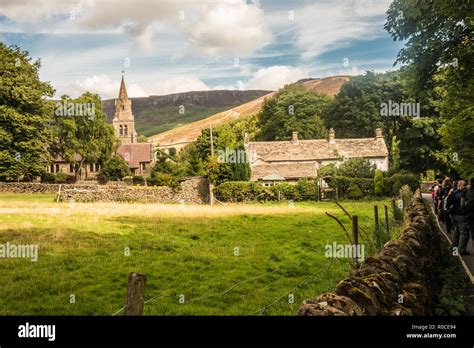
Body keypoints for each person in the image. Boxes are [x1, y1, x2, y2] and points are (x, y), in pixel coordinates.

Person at [448, 180, 470, 255]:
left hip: (454, 215)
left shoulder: (454, 192)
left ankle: (454, 248)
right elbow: (464, 205)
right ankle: (461, 250)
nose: (466, 186)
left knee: (457, 232)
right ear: (460, 185)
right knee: (464, 233)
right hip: (461, 215)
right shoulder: (463, 194)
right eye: (464, 185)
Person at [464, 178, 474, 243]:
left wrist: (465, 212)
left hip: (470, 213)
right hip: (470, 213)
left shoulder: (467, 191)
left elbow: (462, 204)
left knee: (473, 230)